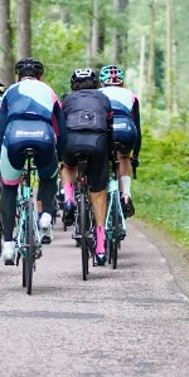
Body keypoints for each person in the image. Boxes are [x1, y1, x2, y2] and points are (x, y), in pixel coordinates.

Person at [0, 57, 65, 264]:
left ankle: (8, 245)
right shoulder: (49, 92)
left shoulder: (9, 92)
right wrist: (59, 157)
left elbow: (0, 127)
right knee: (49, 177)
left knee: (8, 188)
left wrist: (2, 154)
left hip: (14, 139)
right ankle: (45, 217)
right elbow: (61, 130)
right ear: (40, 76)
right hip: (43, 138)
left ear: (18, 76)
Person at [58, 68, 114, 265]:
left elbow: (60, 127)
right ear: (96, 83)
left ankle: (69, 198)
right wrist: (110, 156)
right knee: (98, 192)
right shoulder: (103, 98)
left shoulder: (67, 101)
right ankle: (100, 247)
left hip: (72, 140)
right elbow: (110, 127)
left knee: (68, 166)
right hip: (97, 141)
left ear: (73, 85)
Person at [99, 64, 140, 217]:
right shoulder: (131, 95)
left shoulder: (97, 94)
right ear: (122, 83)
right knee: (124, 157)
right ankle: (126, 195)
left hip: (105, 129)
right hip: (126, 129)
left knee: (100, 157)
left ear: (102, 83)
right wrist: (135, 155)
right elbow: (138, 128)